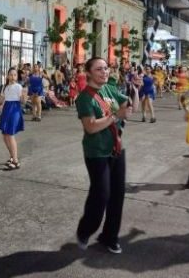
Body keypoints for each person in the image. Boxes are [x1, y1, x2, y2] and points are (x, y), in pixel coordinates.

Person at [75, 57, 136, 254]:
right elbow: (91, 127)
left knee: (117, 196)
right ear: (89, 72)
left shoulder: (110, 90)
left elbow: (127, 107)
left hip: (116, 150)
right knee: (101, 195)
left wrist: (134, 91)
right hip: (97, 152)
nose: (104, 72)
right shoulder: (85, 98)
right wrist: (116, 116)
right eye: (99, 69)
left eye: (106, 68)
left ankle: (110, 236)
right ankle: (85, 230)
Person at [0, 68, 26, 170]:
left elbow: (23, 101)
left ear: (16, 76)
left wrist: (24, 95)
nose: (13, 77)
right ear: (8, 76)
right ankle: (11, 156)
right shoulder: (5, 87)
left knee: (10, 134)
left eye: (15, 75)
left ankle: (16, 161)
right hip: (6, 109)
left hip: (15, 110)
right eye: (11, 75)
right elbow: (0, 102)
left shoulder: (19, 86)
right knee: (5, 135)